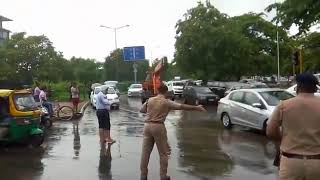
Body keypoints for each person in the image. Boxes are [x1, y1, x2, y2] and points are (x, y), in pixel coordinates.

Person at [140, 83, 206, 180]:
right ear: (166, 92)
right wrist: (196, 108)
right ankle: (163, 176)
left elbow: (141, 110)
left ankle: (143, 175)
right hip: (158, 127)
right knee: (163, 153)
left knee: (145, 152)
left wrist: (150, 109)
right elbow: (182, 106)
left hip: (147, 126)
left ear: (157, 91)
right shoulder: (167, 102)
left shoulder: (149, 100)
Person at [267, 73, 320, 180]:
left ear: (298, 87)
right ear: (314, 88)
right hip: (317, 163)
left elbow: (270, 131)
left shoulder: (284, 105)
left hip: (290, 162)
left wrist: (282, 139)